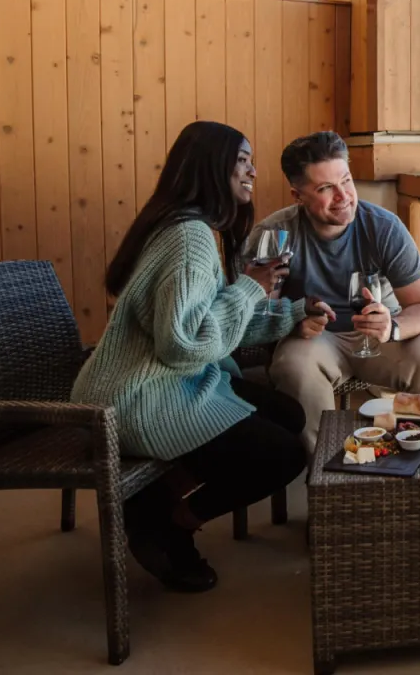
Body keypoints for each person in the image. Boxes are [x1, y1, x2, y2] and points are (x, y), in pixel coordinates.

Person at [71, 121, 325, 593]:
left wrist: (290, 313)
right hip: (137, 398)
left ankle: (153, 497)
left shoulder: (191, 227)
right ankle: (171, 524)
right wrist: (251, 285)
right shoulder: (188, 238)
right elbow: (184, 344)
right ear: (213, 165)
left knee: (287, 412)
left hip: (164, 380)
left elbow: (212, 325)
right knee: (282, 455)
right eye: (243, 160)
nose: (253, 171)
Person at [243, 132, 420, 453]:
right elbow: (256, 315)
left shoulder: (384, 227)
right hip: (315, 340)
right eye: (325, 188)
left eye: (346, 180)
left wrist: (392, 326)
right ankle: (327, 469)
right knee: (293, 366)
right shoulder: (275, 235)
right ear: (297, 195)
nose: (343, 196)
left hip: (379, 336)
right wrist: (293, 320)